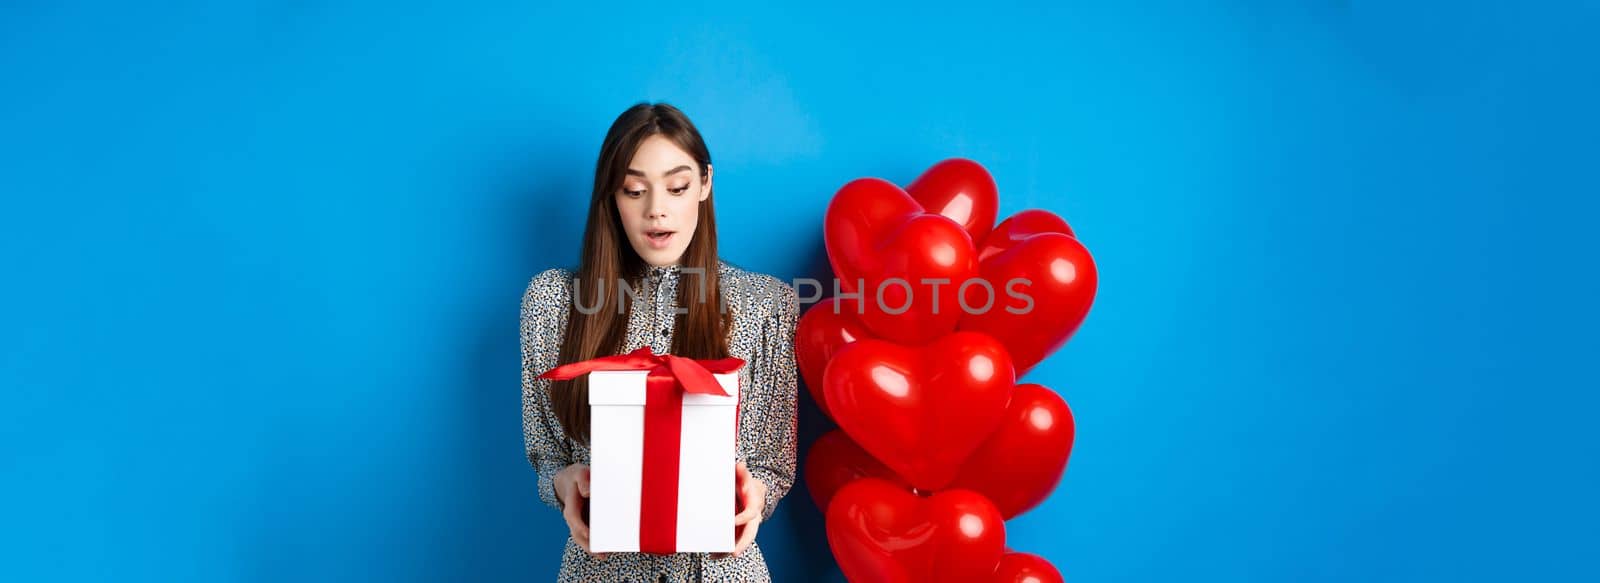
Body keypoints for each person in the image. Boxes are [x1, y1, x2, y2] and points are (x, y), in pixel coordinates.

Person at [520, 102, 799, 582]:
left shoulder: (767, 305)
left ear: (705, 185)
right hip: (601, 571)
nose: (657, 210)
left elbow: (773, 464)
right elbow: (549, 456)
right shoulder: (553, 303)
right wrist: (566, 484)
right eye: (634, 190)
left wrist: (757, 496)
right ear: (611, 195)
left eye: (677, 187)